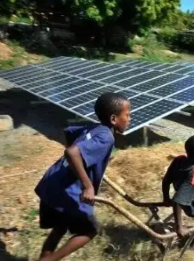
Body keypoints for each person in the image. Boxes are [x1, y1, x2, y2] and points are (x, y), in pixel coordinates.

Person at [35, 92, 131, 261]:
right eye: (128, 115)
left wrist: (94, 157)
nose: (130, 119)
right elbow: (72, 152)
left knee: (61, 225)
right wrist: (88, 185)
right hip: (66, 190)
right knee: (89, 230)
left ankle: (45, 256)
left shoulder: (93, 127)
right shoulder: (106, 137)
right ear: (114, 119)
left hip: (51, 181)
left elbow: (70, 132)